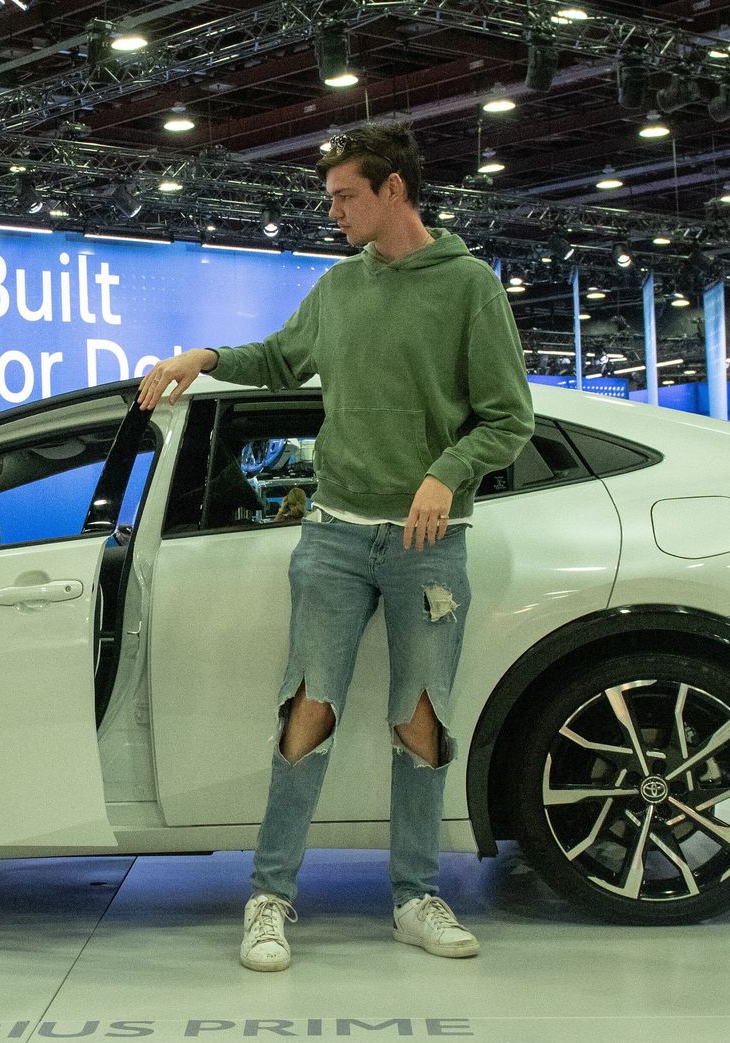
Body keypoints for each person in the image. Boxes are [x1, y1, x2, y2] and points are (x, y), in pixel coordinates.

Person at [136, 121, 533, 972]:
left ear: (395, 189)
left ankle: (414, 896)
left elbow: (510, 417)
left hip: (431, 544)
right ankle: (269, 898)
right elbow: (281, 360)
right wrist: (203, 357)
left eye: (346, 196)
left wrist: (446, 471)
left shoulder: (470, 288)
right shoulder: (337, 288)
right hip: (333, 538)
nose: (334, 212)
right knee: (306, 714)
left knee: (420, 723)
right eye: (330, 198)